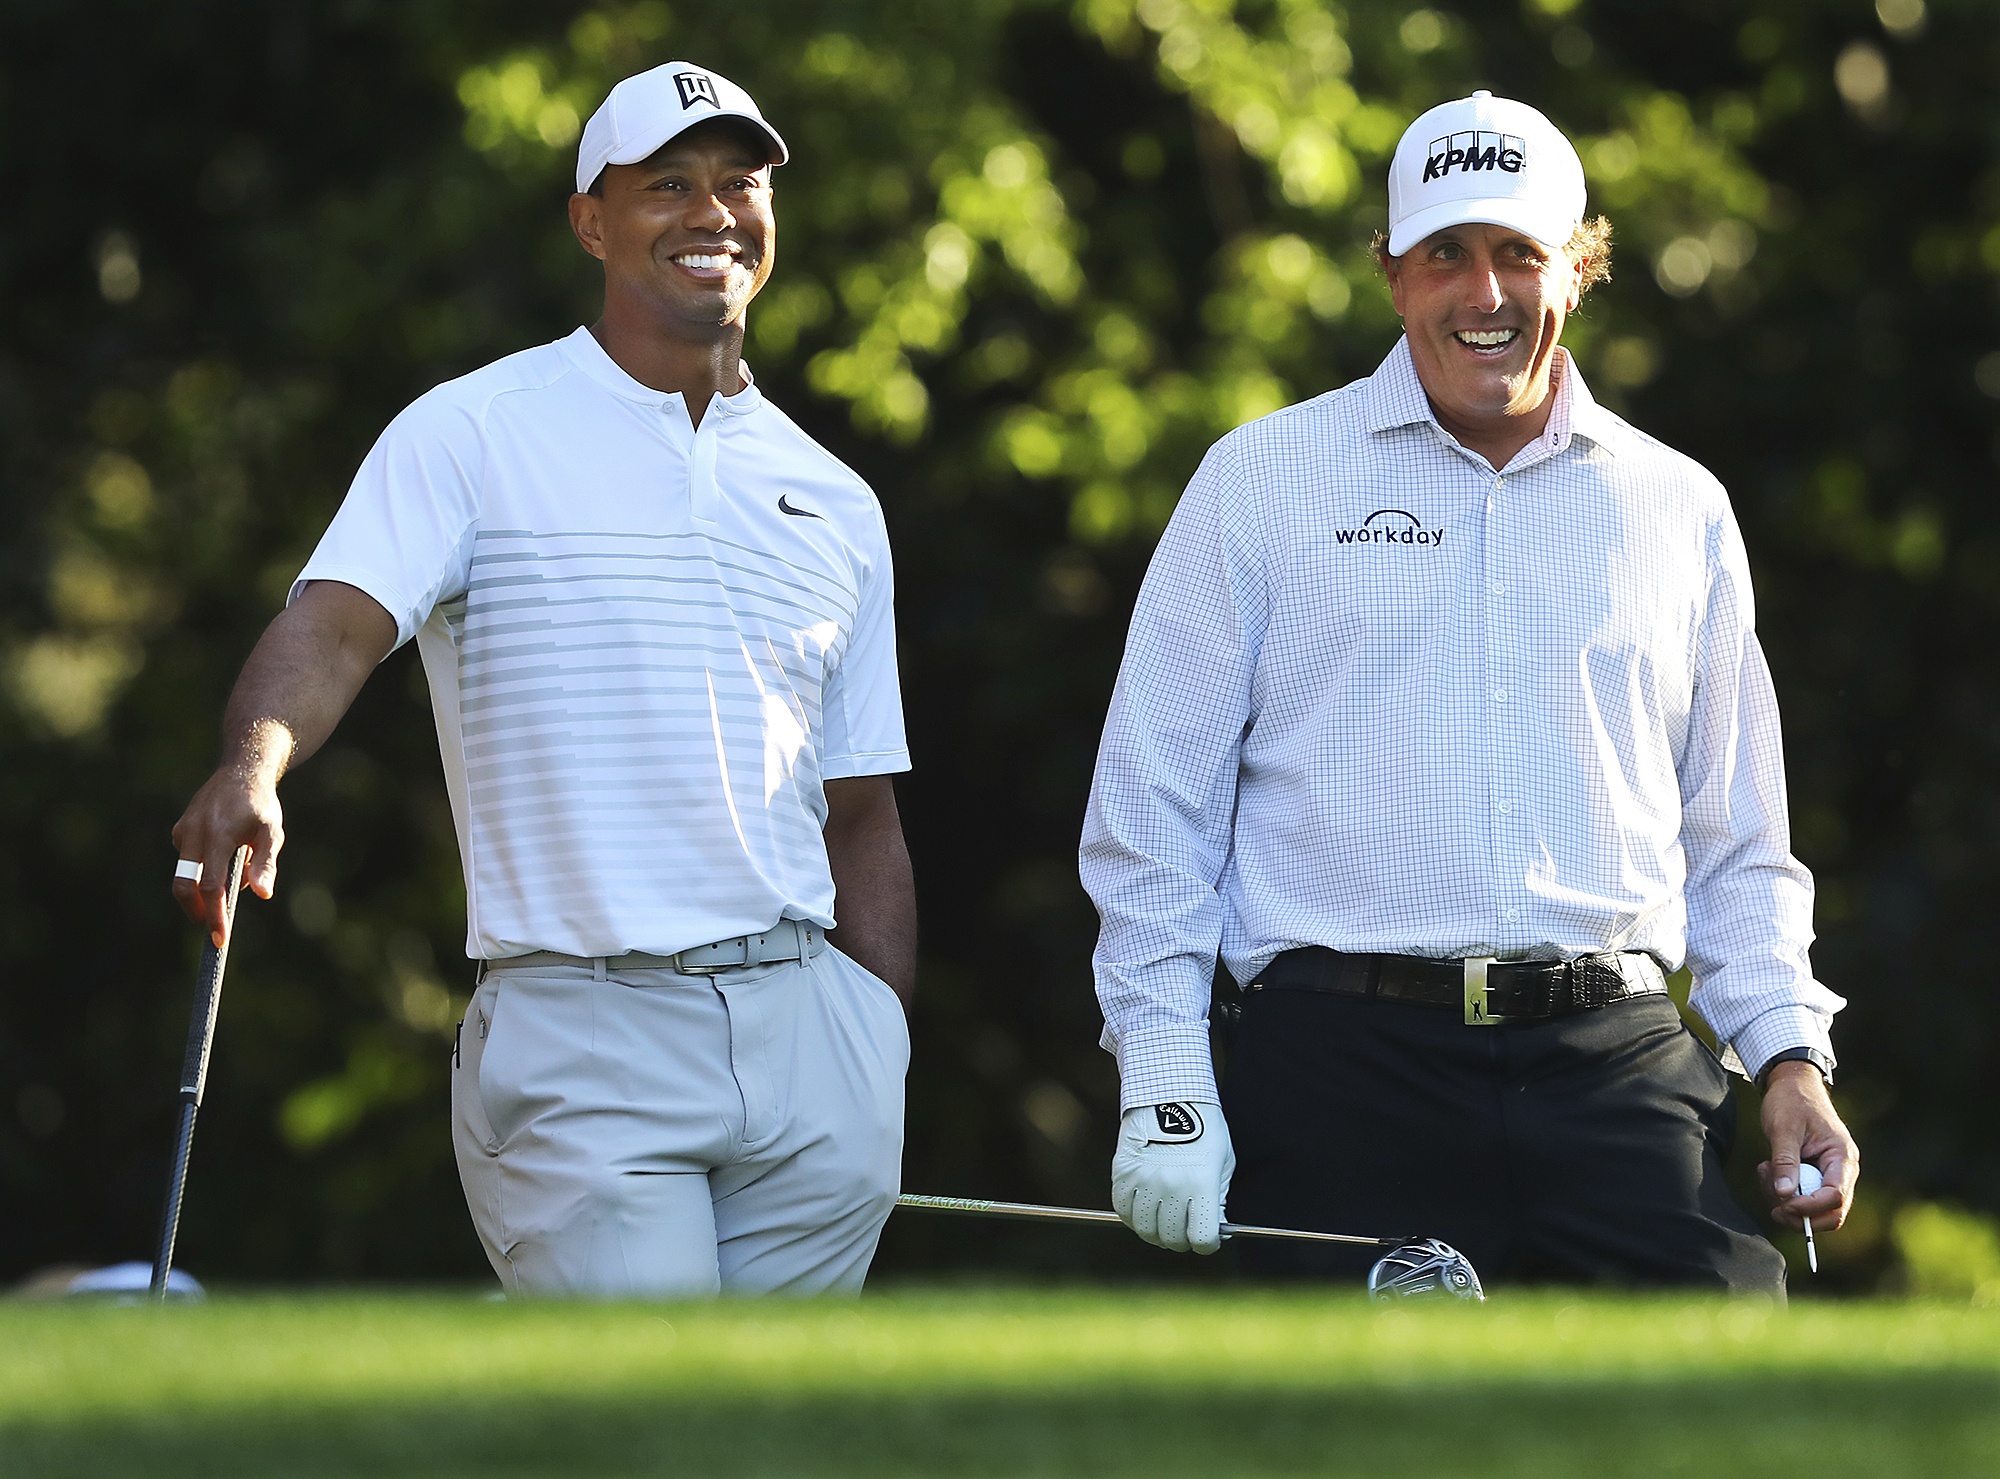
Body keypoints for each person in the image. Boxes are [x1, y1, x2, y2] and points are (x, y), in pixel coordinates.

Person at [1079, 91, 1856, 1292]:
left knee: (1710, 1404)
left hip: (1616, 1061)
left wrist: (1790, 1059)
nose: (1482, 296)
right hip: (1338, 1063)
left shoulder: (1676, 506)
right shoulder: (1258, 481)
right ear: (1391, 275)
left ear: (1577, 269)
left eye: (1516, 255)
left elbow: (1737, 845)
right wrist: (1167, 1084)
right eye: (1445, 255)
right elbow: (1150, 822)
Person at [170, 62, 916, 1298]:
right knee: (646, 1421)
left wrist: (875, 1044)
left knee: (776, 1436)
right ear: (589, 219)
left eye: (739, 183)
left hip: (810, 1040)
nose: (711, 213)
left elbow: (863, 811)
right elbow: (337, 627)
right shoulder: (473, 431)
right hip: (585, 1030)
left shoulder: (833, 497)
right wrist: (253, 764)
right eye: (666, 184)